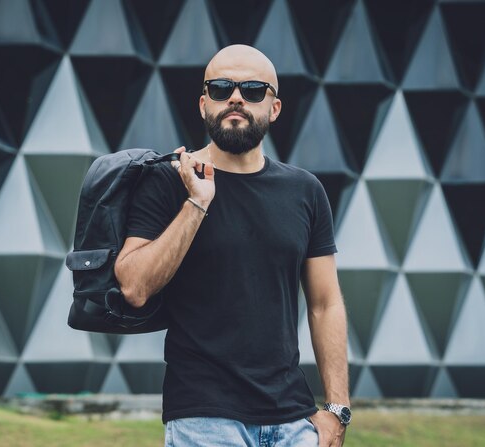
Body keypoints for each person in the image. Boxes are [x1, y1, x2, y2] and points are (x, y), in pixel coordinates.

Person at [114, 44, 350, 447]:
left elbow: (325, 303)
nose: (236, 97)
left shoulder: (305, 191)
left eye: (254, 89)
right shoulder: (168, 179)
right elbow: (134, 287)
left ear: (274, 107)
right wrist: (197, 202)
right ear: (204, 103)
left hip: (294, 420)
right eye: (222, 88)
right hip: (204, 416)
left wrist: (337, 409)